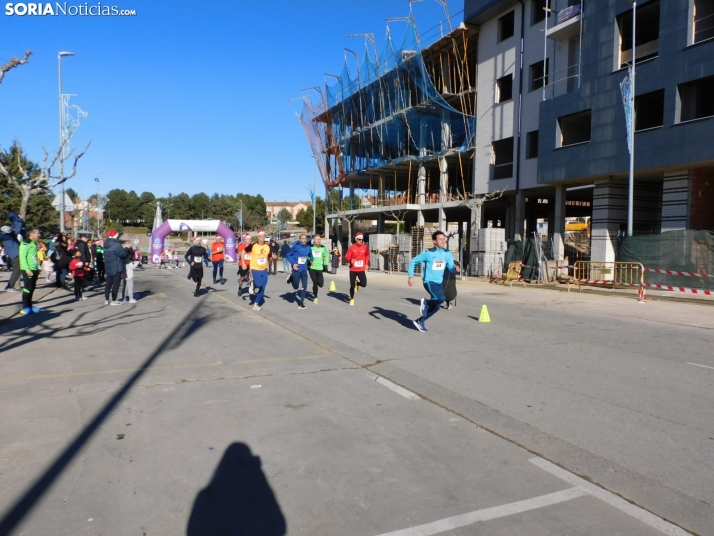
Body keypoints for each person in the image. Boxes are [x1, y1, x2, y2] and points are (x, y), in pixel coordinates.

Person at [408, 230, 461, 333]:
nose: (443, 241)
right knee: (441, 298)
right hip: (429, 281)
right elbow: (413, 261)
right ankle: (426, 302)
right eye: (440, 239)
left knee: (436, 307)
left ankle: (420, 321)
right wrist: (411, 276)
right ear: (434, 241)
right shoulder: (428, 253)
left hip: (439, 282)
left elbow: (450, 268)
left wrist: (455, 269)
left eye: (444, 239)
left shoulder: (447, 253)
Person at [243, 229, 274, 311]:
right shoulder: (253, 245)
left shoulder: (268, 246)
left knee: (263, 288)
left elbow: (270, 257)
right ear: (258, 237)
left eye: (264, 236)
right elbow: (243, 251)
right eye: (261, 236)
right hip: (255, 269)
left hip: (264, 269)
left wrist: (274, 258)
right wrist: (243, 263)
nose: (262, 238)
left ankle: (256, 304)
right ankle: (252, 284)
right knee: (259, 285)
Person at [286, 234, 313, 309]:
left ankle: (301, 303)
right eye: (303, 238)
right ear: (300, 239)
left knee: (304, 286)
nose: (304, 240)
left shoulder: (308, 247)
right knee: (296, 287)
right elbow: (288, 255)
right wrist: (293, 263)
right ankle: (292, 278)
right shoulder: (296, 247)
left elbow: (311, 255)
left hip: (304, 269)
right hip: (296, 269)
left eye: (305, 238)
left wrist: (311, 259)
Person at [103, 229, 129, 305]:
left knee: (108, 283)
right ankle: (114, 300)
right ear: (116, 236)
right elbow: (123, 254)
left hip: (108, 266)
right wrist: (126, 249)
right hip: (116, 266)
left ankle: (107, 299)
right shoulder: (116, 245)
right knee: (116, 284)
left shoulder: (105, 244)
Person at [18, 227, 41, 314]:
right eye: (37, 233)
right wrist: (27, 270)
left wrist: (38, 267)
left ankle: (30, 306)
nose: (39, 235)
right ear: (31, 234)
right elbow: (22, 257)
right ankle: (24, 307)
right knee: (28, 288)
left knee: (32, 287)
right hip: (27, 269)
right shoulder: (25, 244)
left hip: (34, 268)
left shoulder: (34, 243)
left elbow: (34, 257)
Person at [344, 232, 369, 306]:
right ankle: (352, 298)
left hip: (361, 269)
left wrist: (367, 264)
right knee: (352, 286)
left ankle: (357, 283)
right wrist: (350, 260)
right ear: (356, 239)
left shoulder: (365, 247)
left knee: (364, 284)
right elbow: (346, 257)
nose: (361, 241)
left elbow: (367, 255)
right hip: (353, 269)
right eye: (359, 239)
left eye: (362, 239)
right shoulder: (352, 247)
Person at [0, 215, 23, 291]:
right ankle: (10, 286)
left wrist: (16, 217)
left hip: (14, 254)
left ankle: (10, 286)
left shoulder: (7, 235)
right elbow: (17, 226)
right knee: (17, 271)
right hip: (16, 254)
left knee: (17, 270)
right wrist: (17, 218)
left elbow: (15, 226)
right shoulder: (8, 236)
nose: (11, 231)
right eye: (9, 230)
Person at [308, 234, 329, 304]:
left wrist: (326, 263)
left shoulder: (323, 248)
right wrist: (309, 260)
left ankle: (315, 290)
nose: (318, 240)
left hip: (320, 268)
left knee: (321, 284)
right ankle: (315, 296)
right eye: (317, 239)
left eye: (319, 239)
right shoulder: (310, 247)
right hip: (312, 268)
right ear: (314, 240)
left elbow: (326, 255)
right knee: (315, 282)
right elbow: (307, 255)